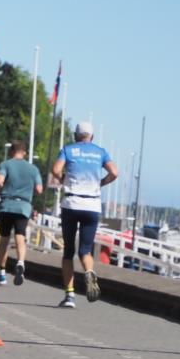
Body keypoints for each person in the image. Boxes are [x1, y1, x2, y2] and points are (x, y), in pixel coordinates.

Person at [50, 121, 118, 308]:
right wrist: (101, 183)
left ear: (75, 135)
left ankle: (69, 296)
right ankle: (88, 271)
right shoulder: (100, 152)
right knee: (85, 250)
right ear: (92, 136)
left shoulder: (68, 149)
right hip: (92, 204)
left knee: (68, 252)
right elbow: (115, 172)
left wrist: (63, 179)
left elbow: (55, 169)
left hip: (72, 203)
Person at [0, 140, 43, 285]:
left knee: (4, 239)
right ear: (25, 153)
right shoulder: (33, 169)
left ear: (12, 152)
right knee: (20, 236)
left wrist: (0, 189)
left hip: (7, 206)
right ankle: (20, 262)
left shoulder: (6, 164)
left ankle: (1, 272)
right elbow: (39, 189)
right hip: (23, 207)